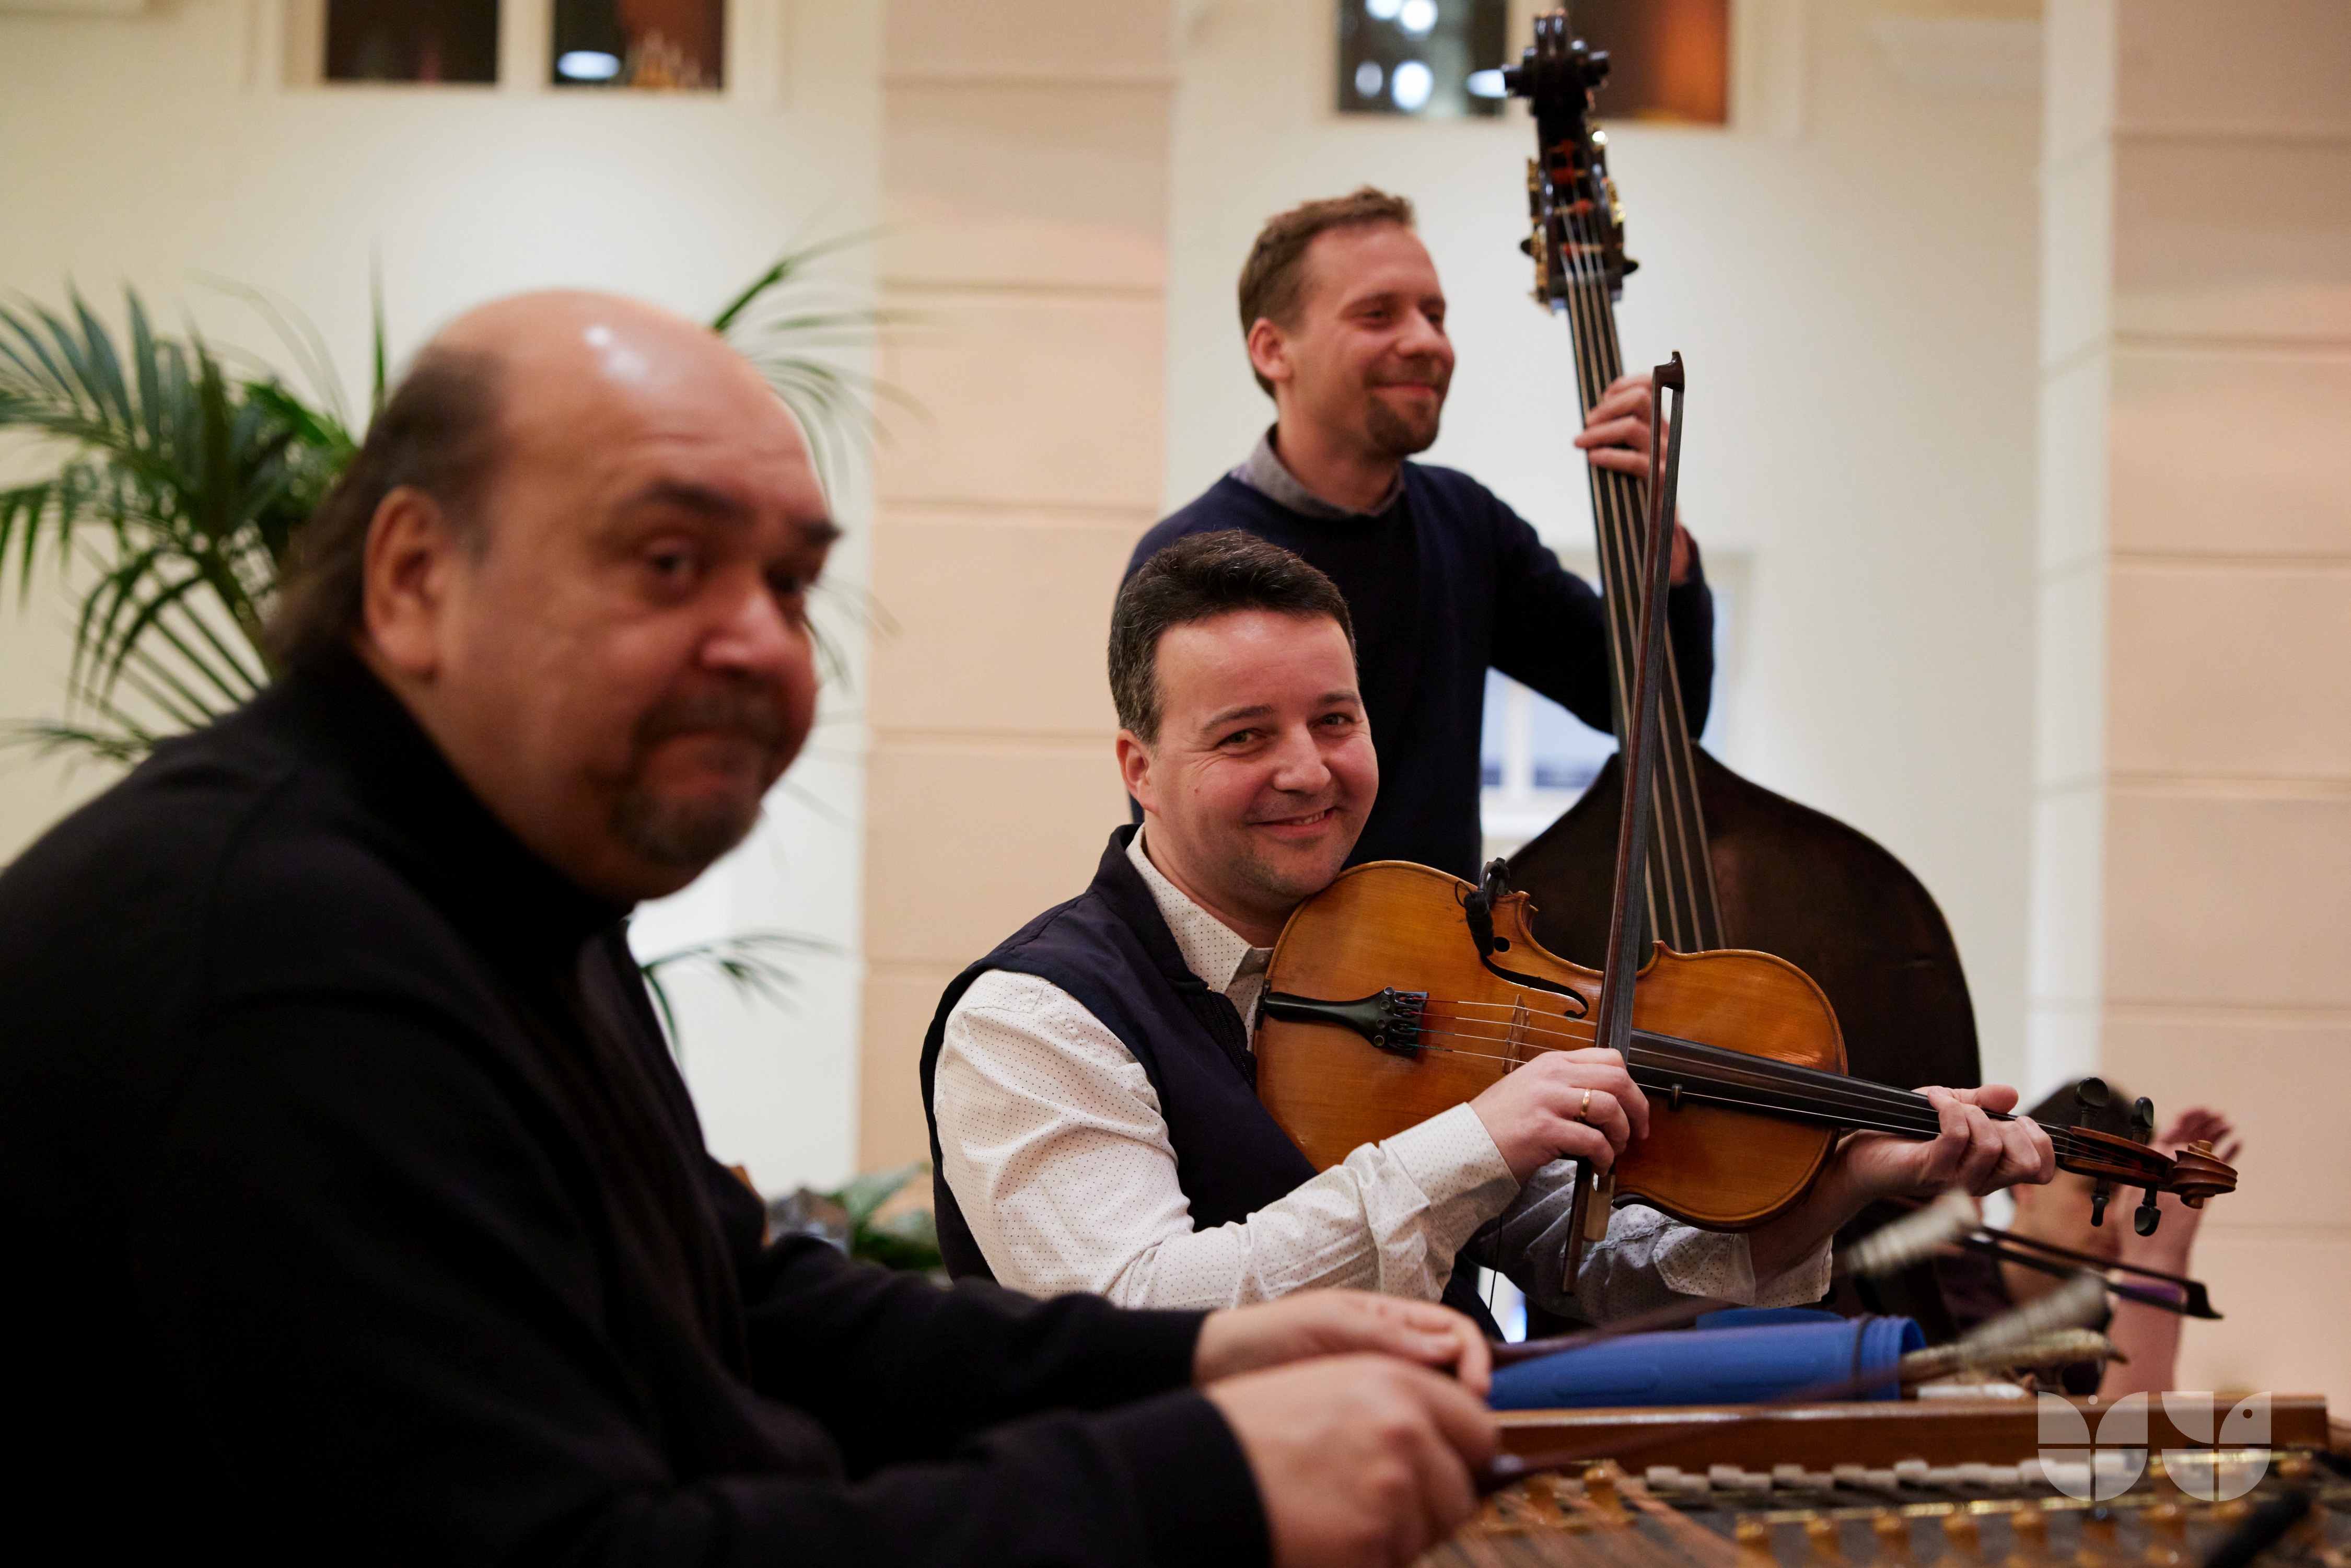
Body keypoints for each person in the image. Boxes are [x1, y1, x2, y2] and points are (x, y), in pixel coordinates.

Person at [0, 293, 1516, 1568]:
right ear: (413, 578)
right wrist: (1205, 1476)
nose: (761, 644)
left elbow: (741, 1295)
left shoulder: (499, 887)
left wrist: (1202, 1352)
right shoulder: (285, 952)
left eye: (789, 581)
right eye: (669, 560)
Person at [923, 531, 2055, 1323]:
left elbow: (1601, 1275)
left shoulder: (1414, 956)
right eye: (1244, 736)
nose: (1308, 770)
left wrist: (1839, 1183)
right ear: (1139, 769)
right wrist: (1474, 1140)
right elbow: (1139, 1311)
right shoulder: (1034, 1020)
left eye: (1335, 719)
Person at [1128, 186, 1710, 880]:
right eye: (1378, 314)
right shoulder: (1186, 562)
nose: (1427, 341)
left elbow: (1659, 715)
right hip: (1265, 955)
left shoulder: (1467, 522)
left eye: (1435, 315)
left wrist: (1665, 557)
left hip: (1446, 949)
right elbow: (1177, 843)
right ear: (1273, 349)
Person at [1944, 1082, 2240, 1399]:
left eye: (2130, 1195)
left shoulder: (2096, 1316)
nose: (2119, 1216)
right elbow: (2129, 1427)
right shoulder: (1942, 1294)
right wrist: (2154, 1259)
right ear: (2024, 1180)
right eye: (2098, 1191)